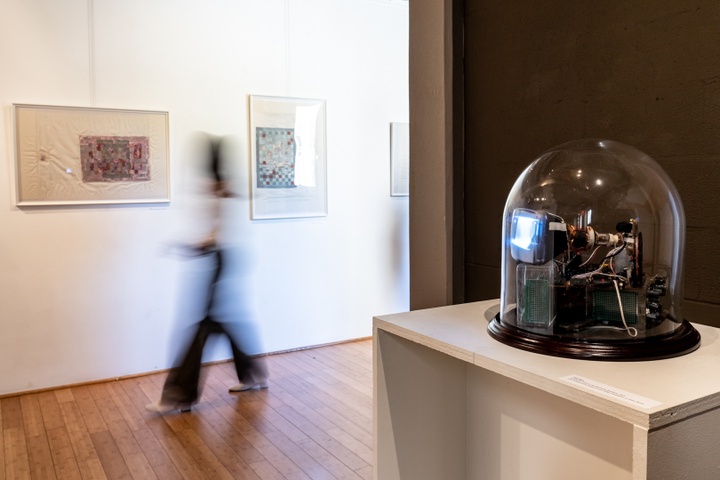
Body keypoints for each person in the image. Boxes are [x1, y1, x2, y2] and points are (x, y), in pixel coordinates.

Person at [146, 134, 267, 414]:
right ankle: (252, 373)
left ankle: (179, 394)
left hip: (220, 260)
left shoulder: (219, 190)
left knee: (203, 327)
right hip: (223, 259)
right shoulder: (222, 189)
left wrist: (184, 246)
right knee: (221, 323)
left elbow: (212, 237)